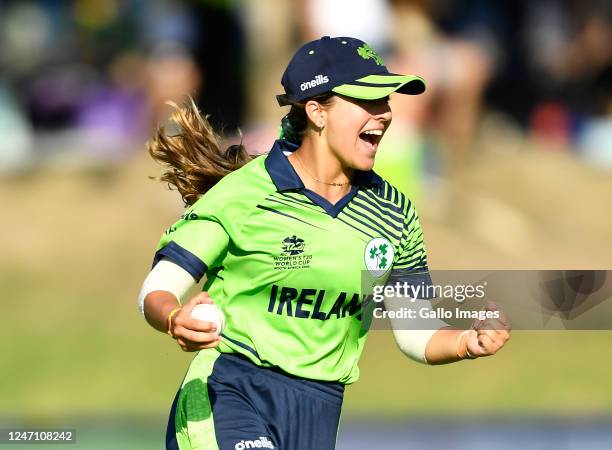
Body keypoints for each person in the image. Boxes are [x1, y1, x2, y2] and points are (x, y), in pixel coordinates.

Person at [138, 36, 511, 450]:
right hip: (228, 391)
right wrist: (174, 318)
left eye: (385, 101)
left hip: (318, 411)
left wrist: (466, 342)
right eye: (367, 101)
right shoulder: (244, 193)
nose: (384, 114)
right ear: (317, 111)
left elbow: (415, 333)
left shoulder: (394, 212)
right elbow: (156, 291)